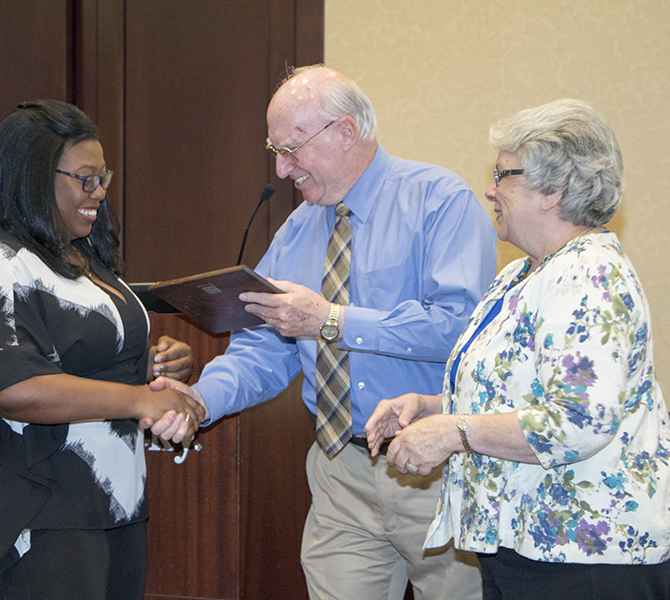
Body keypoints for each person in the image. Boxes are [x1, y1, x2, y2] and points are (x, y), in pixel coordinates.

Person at [154, 65, 496, 599]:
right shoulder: (296, 230)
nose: (282, 167)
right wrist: (200, 400)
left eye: (292, 147)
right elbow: (263, 349)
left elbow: (459, 331)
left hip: (435, 467)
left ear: (345, 131)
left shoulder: (439, 201)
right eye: (275, 149)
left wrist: (332, 320)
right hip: (339, 469)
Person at [365, 99, 670, 600]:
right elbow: (516, 395)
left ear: (554, 187)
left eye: (502, 174)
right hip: (523, 547)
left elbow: (578, 420)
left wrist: (453, 431)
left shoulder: (590, 272)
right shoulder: (520, 274)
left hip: (587, 556)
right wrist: (428, 408)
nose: (489, 189)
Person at [0, 99, 205, 599]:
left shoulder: (85, 257)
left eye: (102, 177)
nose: (100, 192)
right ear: (32, 177)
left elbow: (84, 360)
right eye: (85, 178)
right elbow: (12, 385)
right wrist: (140, 400)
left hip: (117, 503)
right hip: (46, 507)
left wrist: (154, 366)